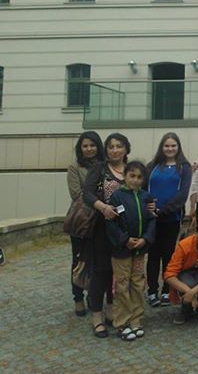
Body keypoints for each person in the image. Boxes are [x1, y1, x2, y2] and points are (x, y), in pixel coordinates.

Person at [82, 132, 132, 338]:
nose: (115, 150)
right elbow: (87, 193)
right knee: (101, 272)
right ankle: (96, 317)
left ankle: (112, 310)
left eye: (119, 146)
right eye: (111, 146)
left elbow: (142, 192)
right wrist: (103, 207)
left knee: (118, 273)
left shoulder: (132, 170)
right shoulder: (99, 169)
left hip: (124, 229)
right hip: (102, 229)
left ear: (126, 148)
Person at [105, 161, 156, 341]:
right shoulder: (117, 197)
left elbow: (151, 220)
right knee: (122, 284)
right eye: (132, 176)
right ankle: (122, 322)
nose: (135, 180)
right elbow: (111, 223)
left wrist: (146, 239)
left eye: (139, 177)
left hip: (139, 250)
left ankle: (136, 319)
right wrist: (125, 240)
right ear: (125, 176)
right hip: (122, 251)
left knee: (137, 283)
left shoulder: (146, 197)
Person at [146, 132, 192, 308]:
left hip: (171, 218)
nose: (170, 149)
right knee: (153, 256)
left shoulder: (184, 167)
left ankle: (167, 289)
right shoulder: (153, 166)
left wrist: (163, 211)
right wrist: (150, 207)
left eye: (173, 145)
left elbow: (182, 195)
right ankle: (152, 291)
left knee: (168, 255)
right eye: (167, 145)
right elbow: (144, 188)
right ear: (161, 147)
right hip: (151, 219)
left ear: (178, 147)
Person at [66, 130, 104, 317]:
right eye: (85, 146)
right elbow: (77, 194)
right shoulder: (75, 168)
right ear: (80, 149)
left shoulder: (105, 166)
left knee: (97, 262)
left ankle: (93, 296)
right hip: (82, 221)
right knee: (79, 260)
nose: (89, 149)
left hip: (101, 221)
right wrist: (99, 201)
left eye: (92, 145)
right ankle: (78, 297)